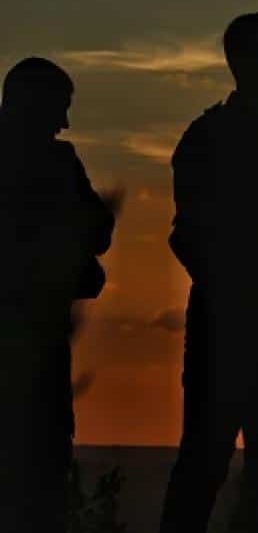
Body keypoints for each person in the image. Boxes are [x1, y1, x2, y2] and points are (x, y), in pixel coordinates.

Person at [159, 13, 258, 533]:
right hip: (227, 337)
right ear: (241, 63)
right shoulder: (206, 139)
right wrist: (237, 295)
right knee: (204, 466)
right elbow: (188, 237)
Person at [0, 58, 117, 532]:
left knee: (44, 467)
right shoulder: (56, 163)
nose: (64, 122)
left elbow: (99, 230)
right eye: (59, 108)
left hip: (44, 342)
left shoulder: (60, 160)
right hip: (29, 341)